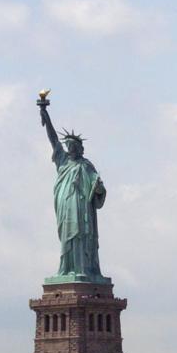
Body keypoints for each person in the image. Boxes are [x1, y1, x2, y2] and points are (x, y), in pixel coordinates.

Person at [39, 103, 106, 278]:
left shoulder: (86, 165)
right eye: (69, 147)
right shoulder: (62, 159)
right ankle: (66, 268)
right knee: (67, 235)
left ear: (80, 149)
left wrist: (98, 188)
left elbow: (98, 188)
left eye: (74, 147)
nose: (71, 149)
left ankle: (83, 268)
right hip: (65, 205)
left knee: (82, 235)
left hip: (82, 207)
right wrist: (46, 116)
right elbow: (53, 140)